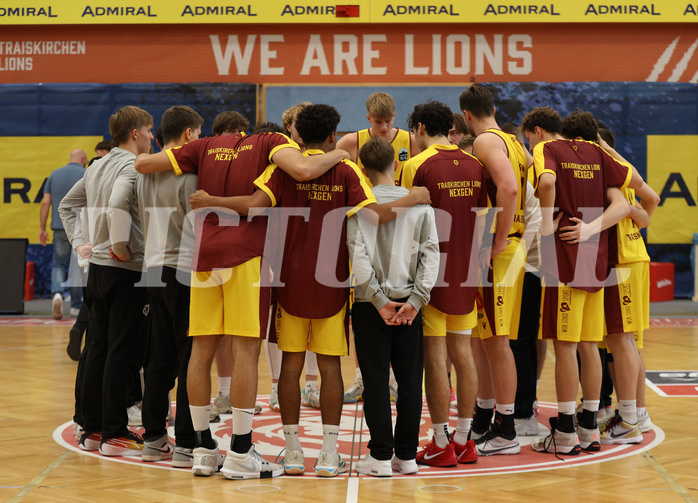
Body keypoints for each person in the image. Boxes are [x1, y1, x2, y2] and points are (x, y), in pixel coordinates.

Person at [134, 115, 356, 480]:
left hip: (204, 257)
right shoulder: (269, 143)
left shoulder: (204, 146)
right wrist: (339, 154)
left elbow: (144, 163)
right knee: (246, 351)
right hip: (246, 258)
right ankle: (239, 451)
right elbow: (301, 169)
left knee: (200, 350)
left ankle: (204, 449)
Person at [520, 106, 644, 455]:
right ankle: (589, 427)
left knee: (565, 347)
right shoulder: (600, 153)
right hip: (596, 259)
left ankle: (565, 432)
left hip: (565, 258)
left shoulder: (549, 150)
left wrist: (546, 227)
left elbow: (546, 182)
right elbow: (625, 201)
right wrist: (591, 229)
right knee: (590, 344)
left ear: (545, 131)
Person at [59, 105, 153, 457]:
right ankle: (114, 431)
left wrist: (82, 243)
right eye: (149, 130)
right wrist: (121, 248)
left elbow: (66, 206)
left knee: (96, 346)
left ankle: (91, 426)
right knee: (123, 350)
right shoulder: (131, 165)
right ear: (135, 133)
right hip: (125, 270)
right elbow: (116, 206)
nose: (152, 136)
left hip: (96, 270)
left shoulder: (97, 165)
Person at [561, 114, 660, 444]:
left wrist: (592, 227)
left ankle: (630, 418)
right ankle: (634, 414)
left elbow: (632, 210)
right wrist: (634, 214)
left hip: (624, 260)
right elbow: (650, 206)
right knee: (626, 341)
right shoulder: (623, 171)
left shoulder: (605, 173)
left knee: (621, 340)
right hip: (632, 257)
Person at [401, 101, 487, 467]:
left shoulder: (415, 165)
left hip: (430, 273)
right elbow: (483, 221)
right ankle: (465, 440)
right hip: (467, 269)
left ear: (420, 128)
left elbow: (403, 221)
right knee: (464, 355)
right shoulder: (476, 165)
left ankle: (440, 442)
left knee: (436, 360)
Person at [350, 137, 439, 477]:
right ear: (396, 165)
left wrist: (378, 300)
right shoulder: (421, 205)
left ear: (362, 169)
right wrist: (416, 300)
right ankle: (406, 456)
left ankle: (380, 457)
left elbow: (358, 257)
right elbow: (431, 256)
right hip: (411, 306)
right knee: (411, 382)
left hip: (370, 305)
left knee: (374, 382)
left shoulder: (361, 206)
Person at [459, 84, 530, 456]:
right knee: (483, 339)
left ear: (467, 116)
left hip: (500, 251)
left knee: (497, 342)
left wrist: (499, 239)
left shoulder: (486, 141)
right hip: (510, 246)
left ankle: (507, 430)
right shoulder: (515, 142)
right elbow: (527, 179)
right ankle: (486, 415)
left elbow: (508, 187)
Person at [337, 91, 419, 403]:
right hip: (365, 223)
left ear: (395, 117)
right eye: (378, 122)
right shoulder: (351, 142)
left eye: (388, 122)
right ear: (368, 119)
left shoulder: (410, 141)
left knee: (399, 295)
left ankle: (395, 380)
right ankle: (362, 378)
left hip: (399, 224)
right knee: (366, 304)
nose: (384, 128)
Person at [135, 105, 203, 468]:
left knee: (158, 359)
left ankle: (153, 439)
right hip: (182, 270)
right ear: (189, 135)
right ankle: (188, 445)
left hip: (152, 268)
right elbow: (198, 228)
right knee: (190, 358)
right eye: (199, 134)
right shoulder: (189, 175)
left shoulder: (147, 171)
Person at [39, 148, 87, 320]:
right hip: (81, 227)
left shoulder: (55, 174)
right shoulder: (87, 173)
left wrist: (42, 228)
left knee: (59, 264)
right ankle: (75, 306)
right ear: (83, 159)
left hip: (59, 227)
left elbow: (46, 203)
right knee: (77, 266)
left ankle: (57, 294)